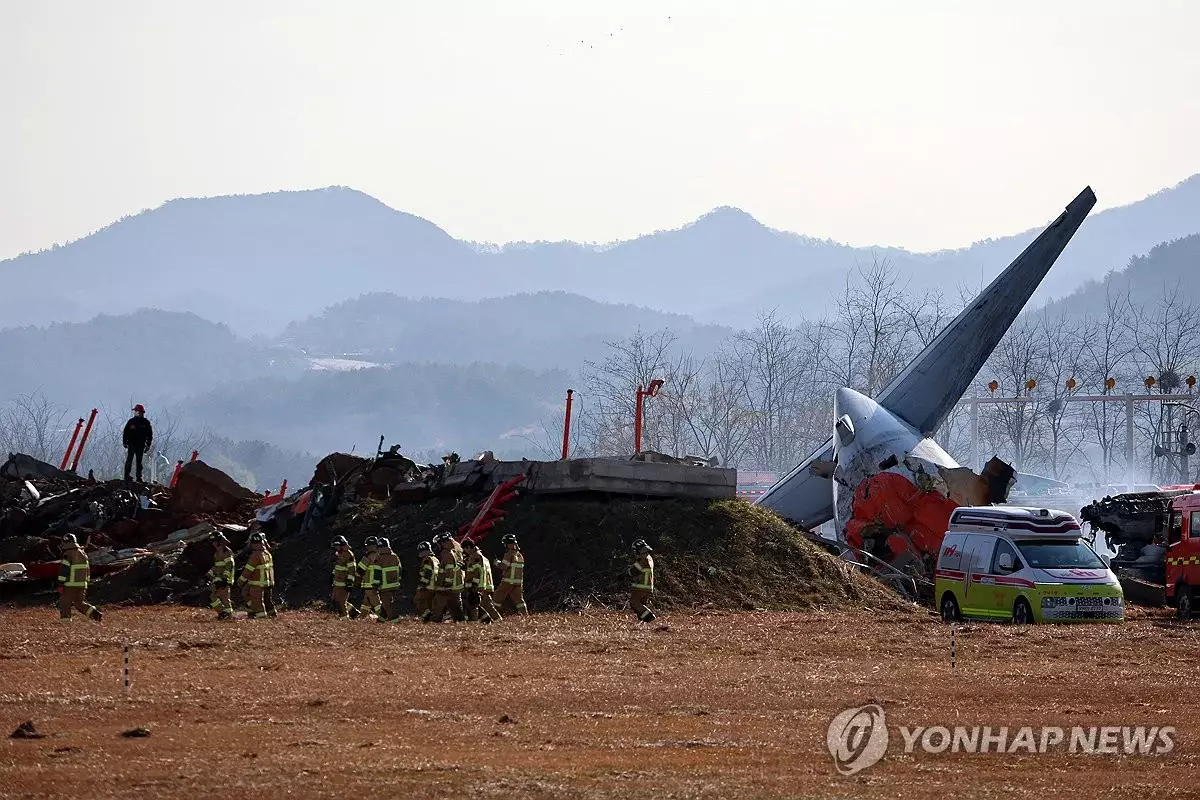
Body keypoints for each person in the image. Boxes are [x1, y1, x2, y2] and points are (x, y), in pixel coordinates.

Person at [56, 534, 102, 622]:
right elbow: (88, 570)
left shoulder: (68, 554)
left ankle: (65, 622)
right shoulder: (83, 553)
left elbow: (64, 570)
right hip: (82, 583)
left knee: (65, 602)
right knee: (79, 604)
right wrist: (86, 581)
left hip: (70, 584)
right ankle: (96, 615)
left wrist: (61, 583)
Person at [237, 533, 276, 619]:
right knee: (266, 600)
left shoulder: (255, 556)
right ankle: (271, 614)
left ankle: (261, 617)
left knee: (257, 601)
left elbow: (248, 570)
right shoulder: (267, 553)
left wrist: (240, 581)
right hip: (268, 582)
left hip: (257, 583)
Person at [463, 539, 501, 623]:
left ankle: (498, 622)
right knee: (484, 606)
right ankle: (490, 621)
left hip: (478, 587)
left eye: (465, 549)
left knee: (484, 606)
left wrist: (473, 586)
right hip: (483, 585)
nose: (465, 552)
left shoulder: (475, 557)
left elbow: (476, 572)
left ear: (469, 547)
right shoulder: (481, 557)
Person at [429, 534, 465, 622]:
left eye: (439, 544)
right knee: (455, 606)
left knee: (438, 605)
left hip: (446, 587)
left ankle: (434, 623)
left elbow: (449, 570)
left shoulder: (446, 553)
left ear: (443, 543)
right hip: (456, 585)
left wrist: (446, 583)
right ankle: (461, 622)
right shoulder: (454, 552)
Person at [492, 534, 528, 616]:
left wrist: (496, 562)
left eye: (505, 544)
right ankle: (526, 616)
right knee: (520, 602)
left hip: (508, 581)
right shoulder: (520, 555)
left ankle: (494, 616)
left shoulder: (509, 554)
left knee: (496, 598)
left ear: (507, 543)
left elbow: (504, 567)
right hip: (518, 583)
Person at [122, 404, 154, 483]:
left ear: (142, 412)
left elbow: (149, 435)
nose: (136, 413)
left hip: (140, 445)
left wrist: (148, 445)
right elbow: (125, 432)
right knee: (129, 460)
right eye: (136, 412)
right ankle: (127, 476)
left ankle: (139, 477)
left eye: (138, 412)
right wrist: (125, 442)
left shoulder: (146, 423)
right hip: (131, 444)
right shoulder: (131, 421)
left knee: (139, 462)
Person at [208, 532, 235, 620]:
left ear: (220, 541)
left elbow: (229, 566)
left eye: (215, 541)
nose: (213, 544)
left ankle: (225, 614)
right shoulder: (217, 554)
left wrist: (224, 579)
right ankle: (225, 614)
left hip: (224, 580)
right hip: (218, 579)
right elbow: (216, 567)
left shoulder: (227, 552)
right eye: (212, 542)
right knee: (220, 597)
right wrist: (209, 575)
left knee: (221, 597)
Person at [331, 536, 359, 618]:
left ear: (342, 544)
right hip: (337, 582)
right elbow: (338, 566)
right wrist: (333, 574)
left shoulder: (348, 554)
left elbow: (352, 570)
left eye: (337, 545)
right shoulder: (339, 553)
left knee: (341, 602)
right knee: (334, 600)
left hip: (344, 582)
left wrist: (349, 582)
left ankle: (344, 618)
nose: (336, 548)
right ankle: (354, 612)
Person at [374, 537, 402, 622]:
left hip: (384, 586)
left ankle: (395, 622)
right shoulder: (395, 556)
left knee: (387, 605)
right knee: (386, 604)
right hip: (395, 585)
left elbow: (377, 573)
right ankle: (381, 620)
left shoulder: (379, 558)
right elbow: (400, 570)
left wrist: (375, 585)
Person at [629, 539, 656, 622]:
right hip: (647, 585)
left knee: (634, 602)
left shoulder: (643, 559)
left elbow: (634, 570)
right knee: (641, 605)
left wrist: (624, 575)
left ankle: (650, 617)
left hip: (642, 585)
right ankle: (644, 621)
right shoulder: (648, 557)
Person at [414, 541, 439, 623]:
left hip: (428, 586)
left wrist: (423, 584)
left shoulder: (427, 559)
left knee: (418, 600)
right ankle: (430, 620)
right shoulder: (435, 559)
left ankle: (426, 617)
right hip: (435, 586)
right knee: (430, 604)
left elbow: (428, 572)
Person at [356, 537, 381, 618]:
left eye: (368, 546)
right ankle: (361, 617)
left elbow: (360, 570)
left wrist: (356, 580)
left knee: (376, 603)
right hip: (375, 584)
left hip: (369, 584)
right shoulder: (380, 555)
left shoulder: (368, 556)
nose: (367, 547)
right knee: (366, 603)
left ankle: (383, 618)